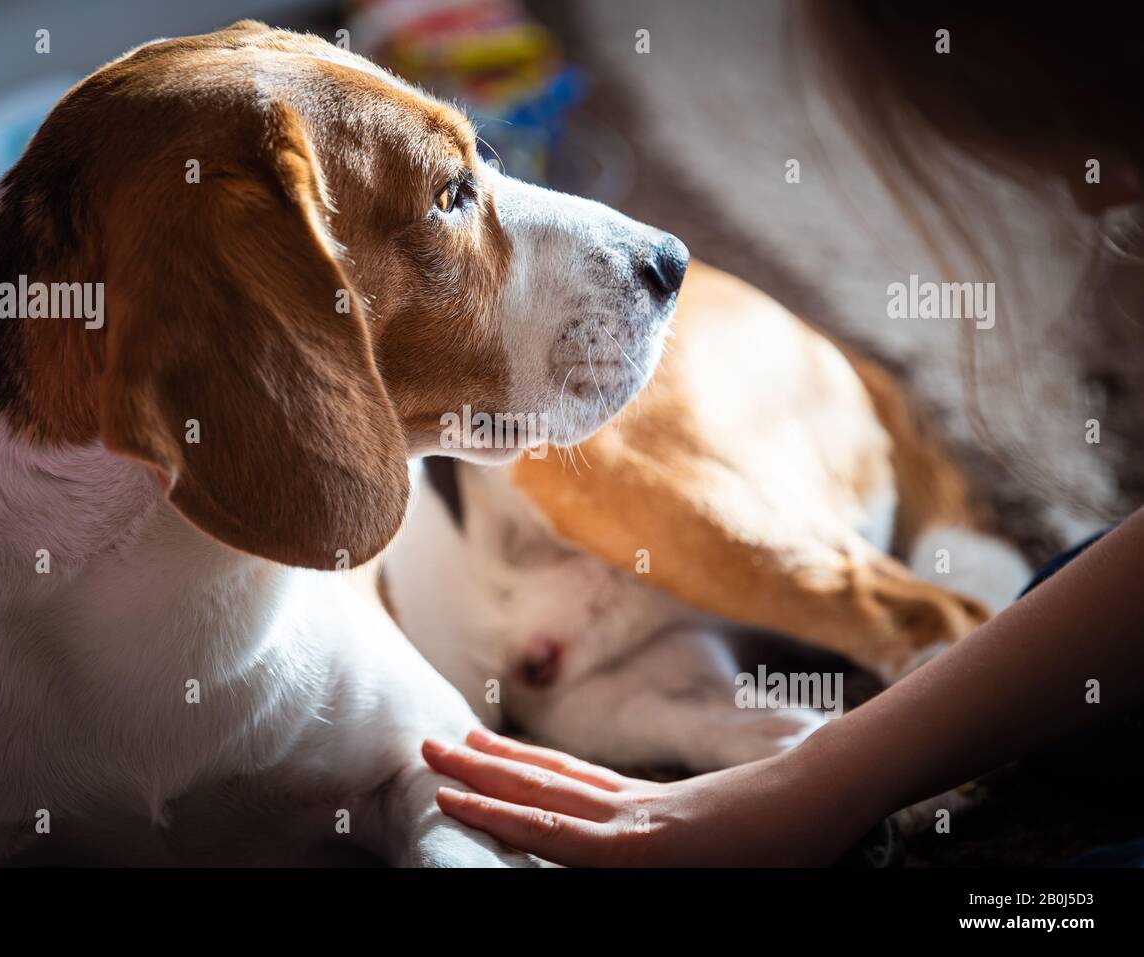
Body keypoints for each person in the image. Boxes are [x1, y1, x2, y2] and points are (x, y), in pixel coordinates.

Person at [419, 2, 1144, 866]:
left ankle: (922, 634)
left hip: (728, 456)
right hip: (520, 591)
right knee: (1073, 700)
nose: (1087, 192)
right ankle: (780, 740)